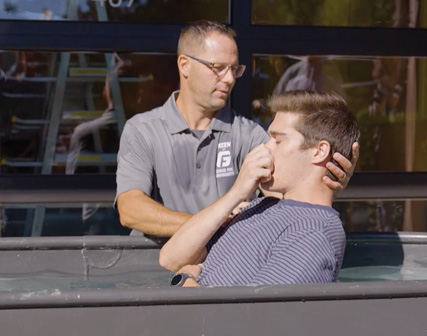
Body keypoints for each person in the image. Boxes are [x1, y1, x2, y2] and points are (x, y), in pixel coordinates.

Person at [115, 20, 359, 240]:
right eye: (218, 67)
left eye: (234, 69)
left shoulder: (250, 135)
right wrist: (209, 225)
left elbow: (292, 194)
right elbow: (131, 210)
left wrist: (325, 178)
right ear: (185, 65)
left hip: (226, 275)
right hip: (151, 273)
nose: (230, 78)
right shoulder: (142, 130)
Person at [159, 90, 360, 287]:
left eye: (278, 140)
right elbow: (171, 259)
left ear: (319, 151)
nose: (264, 148)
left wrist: (184, 281)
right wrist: (236, 193)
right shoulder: (261, 206)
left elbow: (253, 316)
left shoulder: (311, 232)